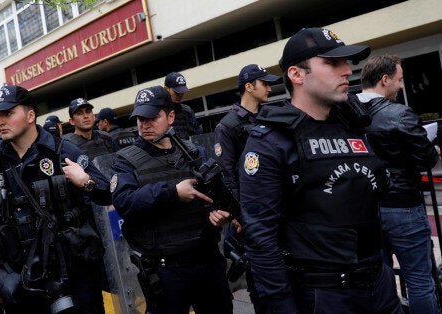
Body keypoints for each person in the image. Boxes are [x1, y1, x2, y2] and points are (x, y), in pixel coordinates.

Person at [239, 28, 401, 313]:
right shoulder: (270, 142)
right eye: (332, 63)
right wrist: (280, 304)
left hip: (379, 282)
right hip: (324, 295)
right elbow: (261, 237)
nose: (346, 72)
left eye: (346, 63)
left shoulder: (355, 125)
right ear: (297, 75)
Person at [0, 85, 111, 313]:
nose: (0, 121)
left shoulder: (62, 151)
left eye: (8, 113)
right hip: (24, 279)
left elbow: (107, 192)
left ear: (31, 115)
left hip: (73, 275)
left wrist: (85, 181)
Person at [111, 85, 233, 314]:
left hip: (207, 260)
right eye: (139, 118)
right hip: (167, 270)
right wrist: (171, 192)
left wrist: (220, 214)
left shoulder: (193, 153)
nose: (144, 125)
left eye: (152, 117)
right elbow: (124, 202)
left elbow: (214, 196)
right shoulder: (126, 160)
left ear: (171, 117)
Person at [357, 54, 439, 313]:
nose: (402, 86)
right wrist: (433, 149)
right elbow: (426, 157)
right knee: (419, 280)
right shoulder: (400, 113)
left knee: (378, 281)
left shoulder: (346, 113)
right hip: (403, 205)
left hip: (365, 210)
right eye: (399, 80)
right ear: (384, 80)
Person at [214, 64, 281, 199]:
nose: (269, 89)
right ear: (249, 87)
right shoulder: (226, 127)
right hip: (252, 201)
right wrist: (239, 210)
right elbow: (227, 174)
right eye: (265, 84)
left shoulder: (270, 117)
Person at [163, 72, 200, 139]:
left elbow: (197, 137)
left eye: (182, 92)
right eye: (177, 92)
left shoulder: (188, 111)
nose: (180, 95)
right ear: (166, 89)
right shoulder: (158, 111)